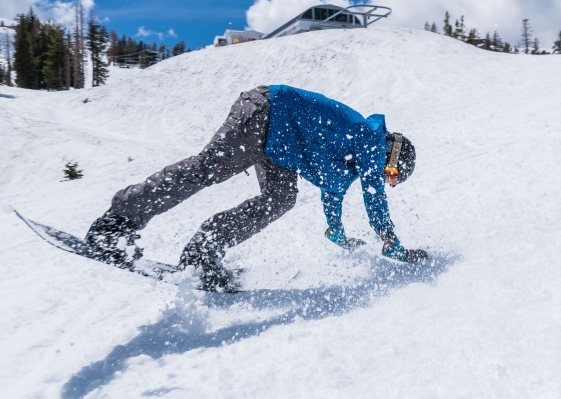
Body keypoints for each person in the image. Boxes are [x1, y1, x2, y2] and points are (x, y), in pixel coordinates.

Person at [84, 85, 427, 292]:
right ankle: (116, 223)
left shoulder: (352, 156)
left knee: (281, 199)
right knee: (206, 169)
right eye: (392, 173)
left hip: (279, 146)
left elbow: (333, 192)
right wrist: (391, 242)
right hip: (266, 113)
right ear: (391, 152)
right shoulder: (370, 139)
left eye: (392, 180)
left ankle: (202, 254)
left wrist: (336, 230)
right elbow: (373, 195)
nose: (387, 179)